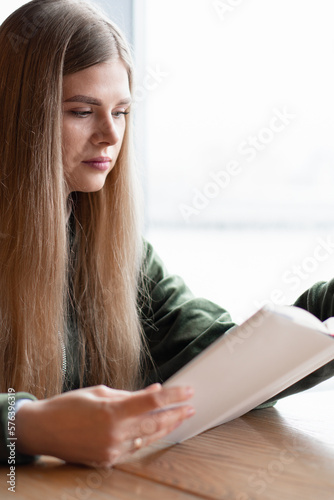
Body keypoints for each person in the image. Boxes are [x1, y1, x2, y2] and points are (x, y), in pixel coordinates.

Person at [0, 0, 333, 469]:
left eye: (121, 111)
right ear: (16, 117)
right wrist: (29, 426)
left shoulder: (116, 253)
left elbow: (228, 361)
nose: (110, 136)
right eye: (81, 111)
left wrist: (325, 310)